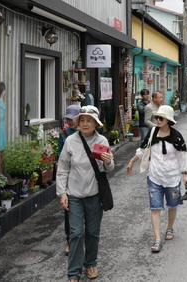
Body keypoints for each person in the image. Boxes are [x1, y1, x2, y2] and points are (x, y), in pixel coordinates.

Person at [57, 106, 114, 282]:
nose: (85, 123)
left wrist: (109, 161)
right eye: (82, 120)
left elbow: (109, 168)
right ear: (78, 122)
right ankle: (74, 272)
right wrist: (62, 193)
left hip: (94, 194)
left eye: (89, 120)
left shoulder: (102, 140)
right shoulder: (71, 141)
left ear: (95, 123)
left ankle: (90, 263)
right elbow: (63, 168)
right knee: (75, 233)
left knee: (92, 232)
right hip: (73, 195)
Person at [126, 105, 187, 253]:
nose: (158, 120)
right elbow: (143, 150)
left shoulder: (177, 137)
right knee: (155, 207)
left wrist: (184, 174)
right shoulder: (152, 132)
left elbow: (182, 157)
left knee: (172, 205)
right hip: (154, 176)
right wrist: (131, 162)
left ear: (168, 120)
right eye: (157, 117)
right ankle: (157, 239)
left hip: (172, 178)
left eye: (161, 118)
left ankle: (169, 227)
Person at [58, 104, 81, 256]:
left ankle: (81, 235)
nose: (70, 121)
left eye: (73, 118)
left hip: (85, 177)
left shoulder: (86, 132)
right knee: (69, 211)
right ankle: (69, 241)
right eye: (68, 118)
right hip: (69, 178)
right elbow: (60, 155)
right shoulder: (64, 134)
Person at [0, 82, 7, 152]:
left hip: (2, 122)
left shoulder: (2, 101)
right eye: (3, 91)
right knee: (0, 140)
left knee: (3, 138)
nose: (4, 92)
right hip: (0, 122)